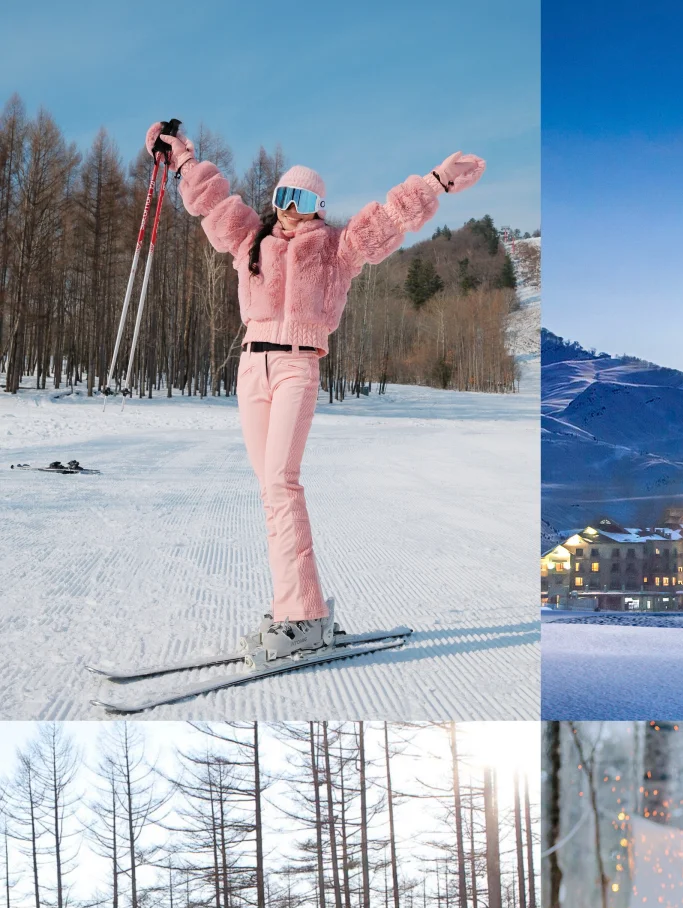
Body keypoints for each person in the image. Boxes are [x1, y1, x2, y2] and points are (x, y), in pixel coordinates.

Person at [144, 121, 485, 655]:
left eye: (299, 197)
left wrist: (437, 181)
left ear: (318, 205)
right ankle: (292, 608)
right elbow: (211, 203)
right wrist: (181, 157)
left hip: (297, 368)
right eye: (281, 194)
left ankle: (305, 617)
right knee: (270, 492)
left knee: (282, 482)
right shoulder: (251, 236)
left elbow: (390, 219)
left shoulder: (335, 248)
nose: (286, 206)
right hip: (250, 368)